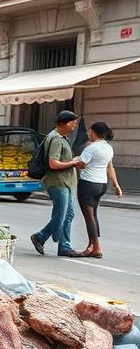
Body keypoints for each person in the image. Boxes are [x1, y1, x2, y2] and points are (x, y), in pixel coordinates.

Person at [30, 111, 85, 258]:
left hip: (66, 182)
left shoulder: (60, 137)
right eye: (72, 122)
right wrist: (73, 162)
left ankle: (64, 246)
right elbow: (53, 163)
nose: (74, 125)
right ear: (63, 123)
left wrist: (73, 162)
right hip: (58, 182)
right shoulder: (55, 138)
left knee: (68, 214)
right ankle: (40, 237)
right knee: (61, 215)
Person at [75, 121, 122, 259]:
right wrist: (116, 185)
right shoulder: (108, 148)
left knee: (89, 217)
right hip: (102, 184)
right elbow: (110, 167)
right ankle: (91, 246)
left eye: (90, 131)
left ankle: (96, 248)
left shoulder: (92, 147)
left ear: (95, 132)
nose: (89, 133)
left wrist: (74, 161)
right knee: (94, 216)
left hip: (88, 184)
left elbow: (81, 164)